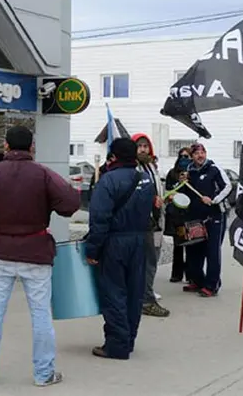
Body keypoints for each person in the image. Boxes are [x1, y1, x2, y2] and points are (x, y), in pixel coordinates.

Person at [0, 126, 80, 388]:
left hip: (0, 253)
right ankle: (44, 374)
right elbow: (70, 204)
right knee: (40, 315)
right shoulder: (44, 174)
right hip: (36, 252)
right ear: (32, 147)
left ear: (6, 146)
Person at [86, 138, 154, 359]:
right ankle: (129, 339)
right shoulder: (145, 179)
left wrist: (93, 250)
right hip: (140, 240)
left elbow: (99, 219)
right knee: (135, 293)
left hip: (115, 242)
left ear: (113, 157)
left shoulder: (107, 181)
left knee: (114, 293)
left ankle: (117, 345)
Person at [183, 143, 232, 297]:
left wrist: (213, 200)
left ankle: (212, 285)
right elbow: (186, 192)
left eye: (202, 152)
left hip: (215, 217)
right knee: (194, 250)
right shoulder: (189, 172)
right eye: (196, 153)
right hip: (196, 218)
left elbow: (228, 187)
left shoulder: (214, 169)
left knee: (212, 252)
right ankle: (197, 281)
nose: (200, 155)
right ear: (192, 156)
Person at [131, 133, 169, 318]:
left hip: (155, 222)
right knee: (147, 262)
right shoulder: (133, 168)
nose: (143, 149)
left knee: (152, 260)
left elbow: (156, 189)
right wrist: (150, 201)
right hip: (142, 224)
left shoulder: (151, 167)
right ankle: (145, 299)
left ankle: (147, 292)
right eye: (139, 146)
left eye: (146, 146)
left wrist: (163, 199)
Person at [165, 147, 192, 283]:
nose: (184, 159)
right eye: (182, 156)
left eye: (187, 156)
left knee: (191, 244)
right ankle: (177, 273)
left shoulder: (194, 172)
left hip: (190, 214)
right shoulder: (172, 173)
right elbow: (168, 190)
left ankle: (191, 274)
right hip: (177, 215)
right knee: (178, 244)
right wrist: (178, 184)